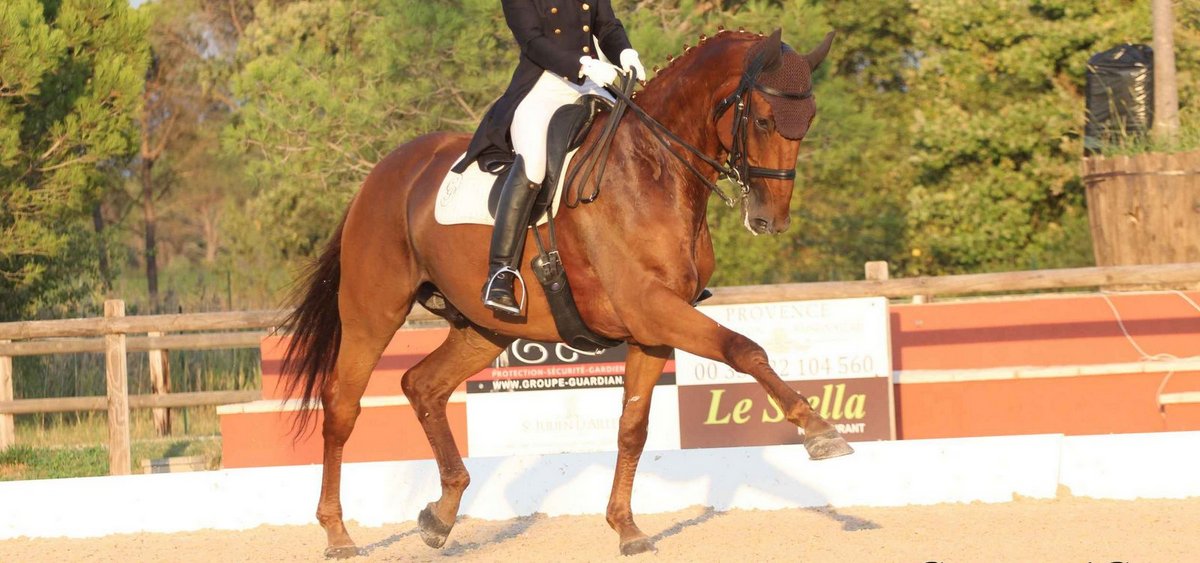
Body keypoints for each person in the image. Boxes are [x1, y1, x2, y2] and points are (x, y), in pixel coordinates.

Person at [452, 0, 646, 316]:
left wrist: (626, 52)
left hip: (593, 83)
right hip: (544, 83)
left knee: (641, 138)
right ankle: (500, 273)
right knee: (534, 166)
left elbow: (607, 26)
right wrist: (582, 64)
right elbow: (532, 42)